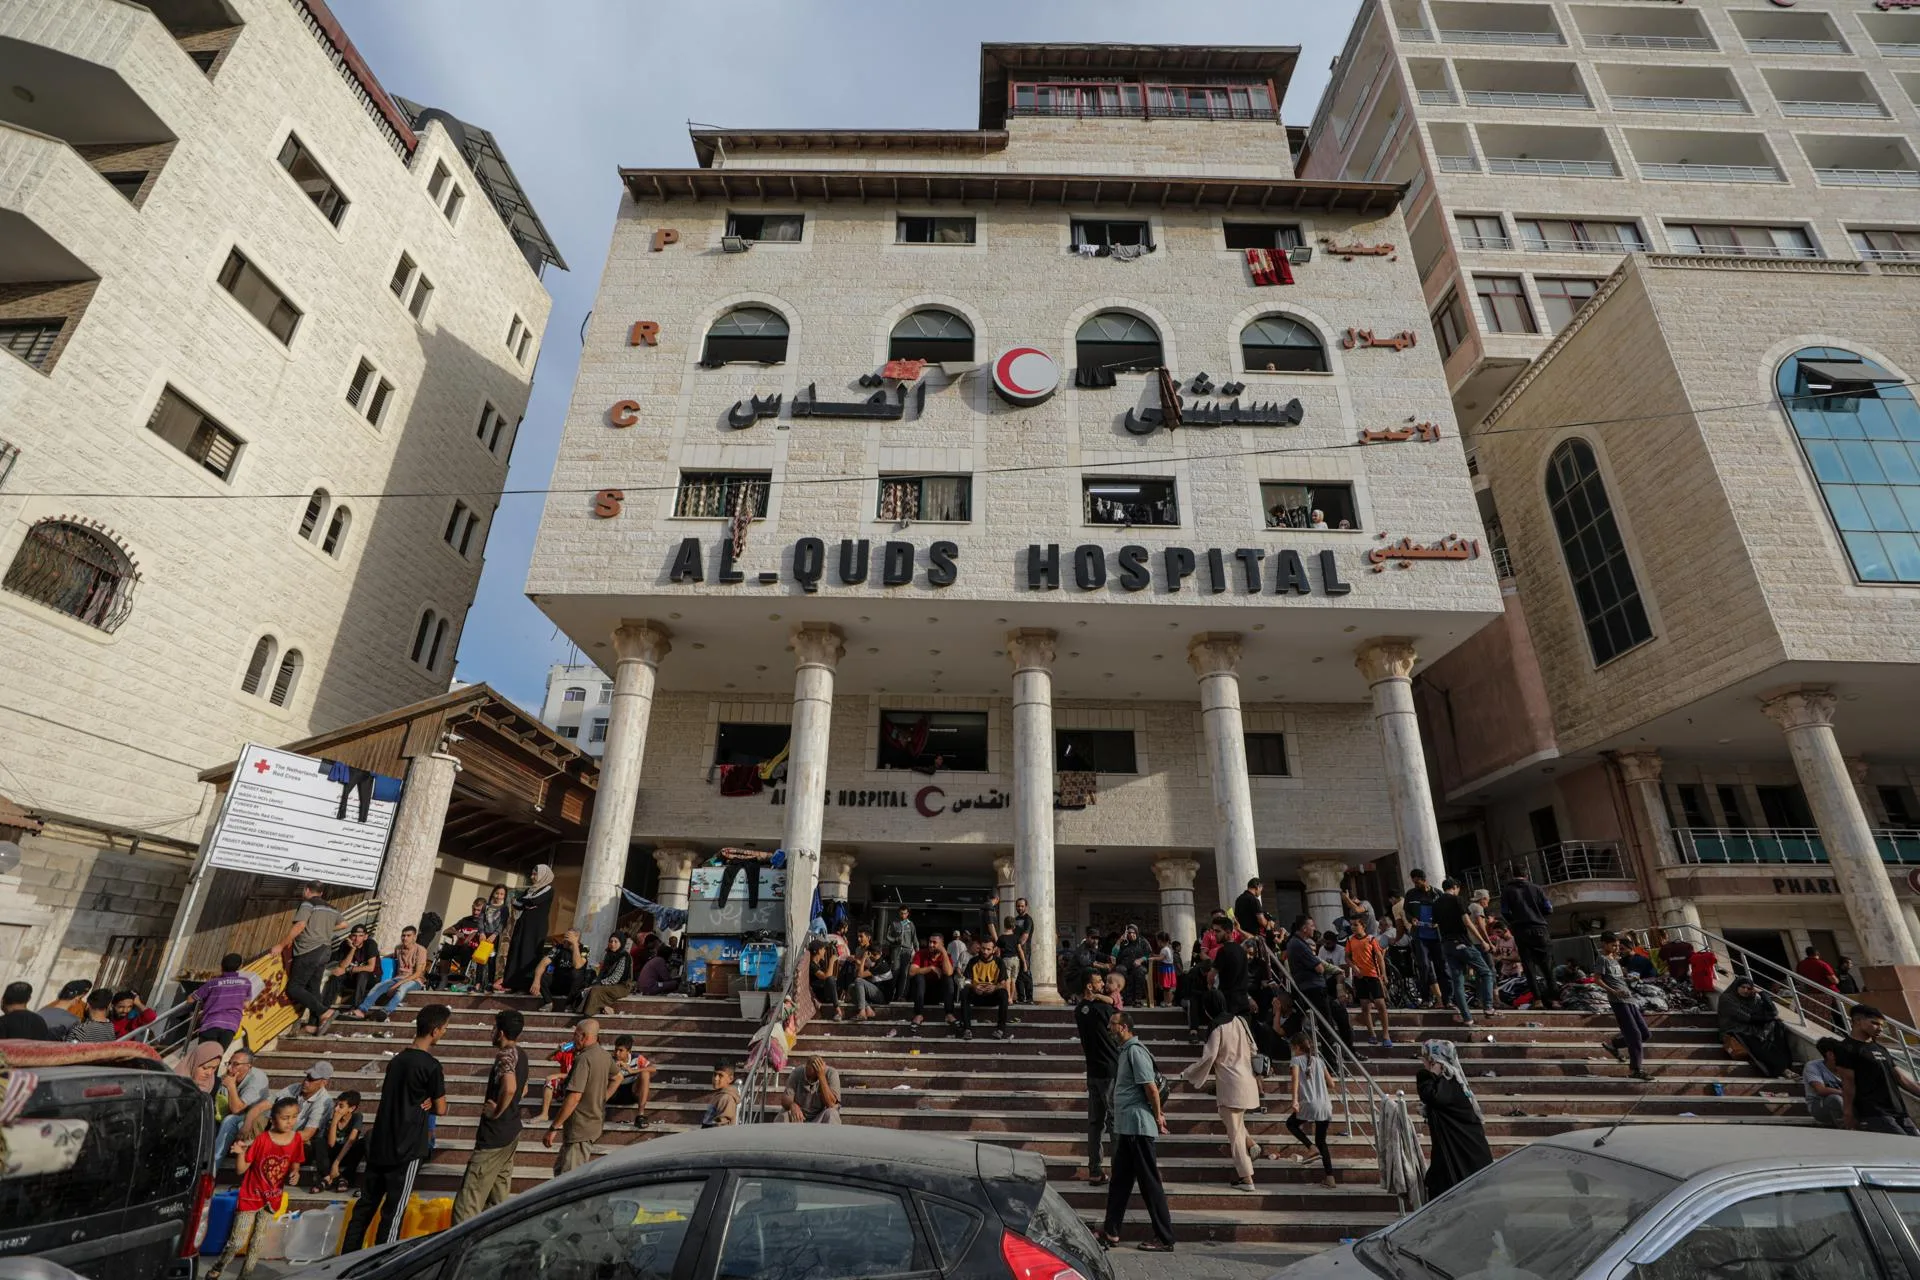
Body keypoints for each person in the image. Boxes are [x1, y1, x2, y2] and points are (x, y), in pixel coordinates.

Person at [342, 1004, 449, 1251]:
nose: (443, 1033)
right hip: (408, 1146)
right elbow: (441, 1108)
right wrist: (431, 1102)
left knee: (365, 1206)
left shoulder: (398, 1060)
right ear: (434, 1031)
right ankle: (382, 1262)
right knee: (394, 1211)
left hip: (381, 1140)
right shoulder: (431, 1066)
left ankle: (346, 1258)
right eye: (444, 1029)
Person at [1096, 1010, 1174, 1253]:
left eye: (1113, 1024)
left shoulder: (1136, 1052)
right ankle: (1111, 1231)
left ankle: (1164, 1237)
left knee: (1150, 1183)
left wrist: (1158, 1116)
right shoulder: (1125, 1053)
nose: (1109, 1027)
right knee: (1119, 1182)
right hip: (1127, 1128)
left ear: (1125, 1027)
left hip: (1138, 1127)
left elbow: (1150, 1088)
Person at [206, 1097, 304, 1280]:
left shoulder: (296, 1139)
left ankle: (245, 1276)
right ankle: (219, 1266)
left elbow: (296, 1161)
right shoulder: (261, 1140)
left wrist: (295, 1173)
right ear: (273, 1120)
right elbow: (241, 1169)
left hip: (272, 1198)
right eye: (285, 1118)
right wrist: (240, 1153)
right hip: (251, 1196)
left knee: (257, 1242)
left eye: (294, 1117)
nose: (290, 1121)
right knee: (237, 1241)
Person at [1184, 991, 1262, 1192]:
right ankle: (1252, 1145)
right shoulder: (1240, 1021)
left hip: (1230, 1084)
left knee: (1234, 1133)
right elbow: (1254, 1049)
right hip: (1247, 1081)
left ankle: (1246, 1178)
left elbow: (1208, 1057)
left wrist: (1189, 1073)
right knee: (1235, 1121)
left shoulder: (1216, 1026)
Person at [453, 1010, 527, 1222]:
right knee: (497, 1198)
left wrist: (496, 1111)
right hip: (511, 1132)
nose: (492, 1032)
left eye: (494, 1028)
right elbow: (524, 1089)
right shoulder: (522, 1054)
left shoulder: (505, 1055)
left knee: (468, 1203)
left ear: (501, 1032)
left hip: (495, 1135)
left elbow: (511, 1087)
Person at [1417, 1040, 1493, 1199]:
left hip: (1466, 1155)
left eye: (1425, 1058)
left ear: (1434, 1060)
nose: (1422, 1062)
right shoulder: (1447, 1082)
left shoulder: (1449, 1082)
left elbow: (1431, 1096)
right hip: (1457, 1154)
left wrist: (1428, 1074)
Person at [1832, 1004, 1920, 1134]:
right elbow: (1848, 1083)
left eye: (1882, 1025)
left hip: (1899, 1110)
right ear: (1857, 1021)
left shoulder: (1881, 1049)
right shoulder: (1845, 1048)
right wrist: (1848, 1112)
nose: (1880, 1029)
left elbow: (1901, 1078)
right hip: (1874, 1112)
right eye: (1875, 1023)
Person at [544, 1015, 611, 1173]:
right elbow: (617, 1076)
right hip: (590, 1124)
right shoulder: (603, 1055)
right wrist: (603, 1097)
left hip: (581, 1126)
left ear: (584, 1036)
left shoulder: (584, 1059)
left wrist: (554, 1128)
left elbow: (574, 1098)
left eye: (576, 1034)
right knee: (560, 1170)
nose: (573, 1038)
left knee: (569, 1176)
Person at [1073, 972, 1120, 1185]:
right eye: (1099, 981)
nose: (1104, 984)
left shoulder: (1079, 1011)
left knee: (1095, 1123)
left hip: (1092, 1071)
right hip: (1110, 1070)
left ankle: (1095, 1170)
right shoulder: (1105, 1010)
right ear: (1090, 987)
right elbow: (1122, 1021)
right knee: (1114, 1122)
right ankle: (1120, 1170)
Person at [277, 881, 342, 1035]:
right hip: (325, 950)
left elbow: (299, 926)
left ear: (306, 890)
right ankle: (313, 1024)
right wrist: (324, 929)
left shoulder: (308, 904)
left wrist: (281, 945)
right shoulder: (331, 908)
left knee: (294, 988)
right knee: (313, 987)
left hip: (308, 949)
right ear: (322, 893)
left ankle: (325, 1012)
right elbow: (344, 924)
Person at [1434, 879, 1496, 1027]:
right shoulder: (1457, 900)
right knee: (1486, 972)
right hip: (1462, 942)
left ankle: (1467, 1018)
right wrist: (1483, 941)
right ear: (1455, 887)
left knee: (1458, 982)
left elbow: (1435, 924)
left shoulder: (1436, 903)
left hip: (1447, 945)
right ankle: (1488, 1006)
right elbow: (1467, 922)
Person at [1597, 933, 1654, 1082]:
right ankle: (1636, 1069)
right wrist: (1614, 991)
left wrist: (1629, 977)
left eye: (1617, 946)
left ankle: (1614, 1044)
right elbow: (1597, 979)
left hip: (1630, 999)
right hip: (1618, 1001)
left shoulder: (1616, 960)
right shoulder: (1602, 959)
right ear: (1604, 944)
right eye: (1613, 945)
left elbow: (1619, 978)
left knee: (1645, 1034)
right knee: (1634, 1035)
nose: (1616, 948)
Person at [1283, 1032, 1336, 1190]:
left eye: (1293, 1048)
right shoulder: (1319, 1061)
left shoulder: (1295, 1060)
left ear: (1297, 1047)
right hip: (1325, 1104)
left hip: (1309, 1103)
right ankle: (1330, 1178)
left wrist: (1294, 1100)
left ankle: (1310, 1147)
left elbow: (1295, 1081)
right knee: (1322, 1141)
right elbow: (1332, 1084)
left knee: (1291, 1124)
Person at [1499, 869, 1556, 1010]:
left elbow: (1505, 911)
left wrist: (1515, 922)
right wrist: (1537, 915)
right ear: (1526, 875)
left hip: (1521, 930)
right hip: (1540, 929)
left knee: (1529, 967)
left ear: (1513, 876)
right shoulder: (1536, 888)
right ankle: (1555, 1000)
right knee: (1547, 966)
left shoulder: (1507, 890)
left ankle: (1537, 1001)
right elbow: (1548, 908)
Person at [1717, 975, 1792, 1078]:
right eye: (1742, 987)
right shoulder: (1727, 998)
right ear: (1736, 986)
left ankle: (1785, 1065)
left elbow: (1773, 1011)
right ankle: (1780, 1068)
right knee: (1756, 1040)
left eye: (1748, 988)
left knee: (1778, 1026)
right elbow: (1746, 1018)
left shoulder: (1752, 999)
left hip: (1752, 1029)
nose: (1745, 990)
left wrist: (1762, 993)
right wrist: (1770, 1018)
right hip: (1734, 1030)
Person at [352, 925, 429, 1021]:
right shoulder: (398, 948)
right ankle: (362, 1010)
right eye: (403, 935)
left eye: (408, 936)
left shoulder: (421, 950)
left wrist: (396, 985)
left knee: (402, 989)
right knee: (378, 986)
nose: (405, 938)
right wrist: (378, 958)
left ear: (415, 937)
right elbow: (392, 956)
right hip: (398, 978)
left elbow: (418, 973)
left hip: (415, 980)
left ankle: (385, 1012)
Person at [213, 1048, 273, 1166]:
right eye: (229, 1063)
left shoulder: (257, 1079)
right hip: (237, 1113)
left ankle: (213, 1167)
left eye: (235, 1064)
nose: (229, 1068)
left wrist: (231, 1086)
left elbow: (236, 1109)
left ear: (248, 1067)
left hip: (257, 1117)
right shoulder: (230, 1075)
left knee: (230, 1121)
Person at [502, 866, 557, 993]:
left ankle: (525, 985)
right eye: (532, 874)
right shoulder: (530, 890)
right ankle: (513, 984)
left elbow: (533, 901)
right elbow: (516, 903)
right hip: (523, 925)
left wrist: (525, 903)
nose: (532, 877)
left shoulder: (548, 889)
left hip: (535, 928)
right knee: (516, 951)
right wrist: (525, 903)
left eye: (535, 874)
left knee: (528, 953)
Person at [318, 924, 381, 1027]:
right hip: (353, 978)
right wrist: (352, 949)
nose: (356, 939)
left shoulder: (370, 944)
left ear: (365, 936)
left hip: (371, 979)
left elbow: (370, 967)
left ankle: (356, 1008)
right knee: (336, 975)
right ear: (350, 936)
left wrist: (348, 969)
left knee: (362, 973)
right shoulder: (346, 945)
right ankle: (326, 1008)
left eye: (360, 936)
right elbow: (342, 966)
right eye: (354, 936)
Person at [1345, 917, 1393, 1047]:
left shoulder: (1371, 939)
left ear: (1363, 926)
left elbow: (1379, 957)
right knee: (1365, 1005)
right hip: (1359, 977)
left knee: (1380, 1004)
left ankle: (1385, 1034)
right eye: (1352, 925)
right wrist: (1354, 967)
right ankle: (1371, 1033)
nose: (1353, 927)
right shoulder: (1350, 940)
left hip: (1373, 974)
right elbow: (1347, 957)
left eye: (1356, 924)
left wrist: (1383, 974)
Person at [192, 953, 257, 1048]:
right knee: (216, 1058)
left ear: (221, 966)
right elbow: (246, 1005)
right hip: (230, 1026)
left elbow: (191, 999)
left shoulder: (213, 983)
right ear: (240, 966)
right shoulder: (246, 983)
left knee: (203, 1058)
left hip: (211, 1023)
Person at [1403, 869, 1446, 1008]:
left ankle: (1447, 998)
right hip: (1420, 936)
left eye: (1417, 882)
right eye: (1414, 882)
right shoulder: (1410, 894)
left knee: (1442, 966)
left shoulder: (1437, 893)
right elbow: (1407, 911)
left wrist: (1439, 921)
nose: (1416, 884)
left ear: (1424, 880)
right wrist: (1412, 919)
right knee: (1424, 967)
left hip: (1436, 936)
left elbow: (1444, 911)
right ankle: (1426, 998)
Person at [310, 1089, 365, 1191]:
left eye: (341, 1106)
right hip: (333, 1152)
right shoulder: (332, 1119)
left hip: (346, 1154)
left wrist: (336, 1164)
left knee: (360, 1144)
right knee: (319, 1141)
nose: (336, 1109)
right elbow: (331, 1144)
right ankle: (326, 1176)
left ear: (352, 1108)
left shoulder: (357, 1117)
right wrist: (334, 1122)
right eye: (336, 1105)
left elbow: (350, 1141)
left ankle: (344, 1177)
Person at [959, 938, 1013, 1041]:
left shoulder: (999, 962)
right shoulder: (973, 961)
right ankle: (967, 1029)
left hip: (992, 996)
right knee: (964, 991)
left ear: (994, 950)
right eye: (983, 948)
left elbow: (1003, 984)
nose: (985, 951)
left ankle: (1000, 1029)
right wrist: (974, 987)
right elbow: (966, 982)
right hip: (977, 995)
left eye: (988, 949)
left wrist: (995, 987)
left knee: (1004, 993)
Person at [273, 1061, 334, 1144]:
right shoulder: (295, 1087)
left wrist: (277, 1138)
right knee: (261, 1116)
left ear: (323, 1083)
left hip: (305, 1141)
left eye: (311, 1079)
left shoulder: (325, 1102)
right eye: (307, 1077)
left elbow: (307, 1134)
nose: (306, 1081)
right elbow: (265, 1104)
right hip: (282, 1131)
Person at [905, 933, 954, 1031]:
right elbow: (911, 972)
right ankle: (918, 1014)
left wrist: (944, 952)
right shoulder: (920, 953)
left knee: (948, 979)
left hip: (938, 995)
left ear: (941, 944)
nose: (931, 945)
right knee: (918, 976)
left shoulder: (946, 956)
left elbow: (949, 972)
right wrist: (930, 968)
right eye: (930, 942)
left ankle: (949, 1014)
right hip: (922, 994)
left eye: (934, 942)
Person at [532, 929, 590, 1011]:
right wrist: (536, 981)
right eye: (564, 937)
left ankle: (569, 1004)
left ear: (576, 938)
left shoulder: (584, 948)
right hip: (558, 981)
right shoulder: (558, 948)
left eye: (567, 937)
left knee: (577, 974)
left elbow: (577, 965)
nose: (564, 940)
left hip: (573, 985)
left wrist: (574, 945)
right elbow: (542, 963)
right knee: (543, 974)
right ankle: (548, 1003)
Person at [579, 932, 635, 1016]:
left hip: (622, 986)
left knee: (595, 990)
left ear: (621, 943)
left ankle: (587, 1016)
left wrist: (599, 984)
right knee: (586, 987)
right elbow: (602, 973)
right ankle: (602, 1008)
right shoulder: (608, 955)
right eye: (611, 941)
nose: (612, 944)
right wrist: (595, 982)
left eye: (616, 942)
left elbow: (615, 978)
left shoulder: (624, 956)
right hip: (609, 984)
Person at [608, 1034, 656, 1127]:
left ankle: (640, 1116)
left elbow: (653, 1068)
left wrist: (633, 1070)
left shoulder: (637, 1058)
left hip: (632, 1093)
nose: (617, 1053)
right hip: (613, 1093)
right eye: (616, 1049)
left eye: (621, 1050)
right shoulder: (610, 1059)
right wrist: (613, 1069)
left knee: (645, 1073)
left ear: (628, 1051)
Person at [783, 1055, 841, 1123]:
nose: (810, 1080)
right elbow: (785, 1098)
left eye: (813, 1078)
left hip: (820, 1118)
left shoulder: (831, 1073)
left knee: (832, 1114)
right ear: (806, 1067)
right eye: (808, 1076)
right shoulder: (797, 1072)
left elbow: (831, 1104)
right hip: (799, 1118)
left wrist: (821, 1076)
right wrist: (792, 1105)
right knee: (783, 1115)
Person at [1804, 1038, 1845, 1129]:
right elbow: (1821, 1090)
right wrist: (1844, 1093)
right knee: (1836, 1099)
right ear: (1830, 1054)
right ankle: (1845, 1128)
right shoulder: (1813, 1066)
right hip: (1819, 1106)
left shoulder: (1848, 1066)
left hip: (1846, 1104)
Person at [478, 884, 511, 992]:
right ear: (493, 893)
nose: (498, 896)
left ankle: (490, 983)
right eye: (497, 893)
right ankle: (478, 983)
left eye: (502, 894)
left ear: (504, 896)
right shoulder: (486, 906)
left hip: (495, 937)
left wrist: (495, 934)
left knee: (492, 961)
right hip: (484, 936)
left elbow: (502, 924)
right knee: (481, 959)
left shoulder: (504, 908)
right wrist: (481, 933)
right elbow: (481, 920)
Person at [1113, 924, 1151, 1007]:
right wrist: (1119, 941)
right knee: (1120, 969)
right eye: (1129, 933)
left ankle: (1137, 999)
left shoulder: (1143, 941)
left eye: (1133, 933)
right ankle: (1123, 998)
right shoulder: (1123, 942)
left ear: (1136, 933)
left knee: (1140, 971)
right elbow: (1114, 954)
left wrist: (1141, 960)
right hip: (1125, 965)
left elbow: (1149, 954)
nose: (1131, 935)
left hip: (1138, 966)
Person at [886, 906, 919, 1002]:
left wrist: (917, 952)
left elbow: (915, 938)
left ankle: (901, 996)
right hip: (896, 950)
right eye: (901, 913)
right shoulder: (894, 923)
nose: (903, 915)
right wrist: (895, 940)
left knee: (905, 974)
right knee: (895, 972)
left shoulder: (911, 924)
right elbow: (887, 937)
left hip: (907, 951)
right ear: (898, 913)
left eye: (905, 913)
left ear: (908, 913)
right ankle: (890, 994)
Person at [808, 941, 842, 1020]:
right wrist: (831, 961)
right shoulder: (812, 965)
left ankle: (843, 996)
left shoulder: (820, 962)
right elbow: (826, 976)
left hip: (826, 991)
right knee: (830, 979)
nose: (825, 951)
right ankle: (838, 1010)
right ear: (819, 951)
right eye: (823, 949)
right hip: (821, 994)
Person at [1011, 898, 1036, 1004]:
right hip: (1016, 950)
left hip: (1024, 950)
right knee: (1018, 974)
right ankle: (1021, 998)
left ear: (1026, 906)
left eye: (1022, 906)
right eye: (1018, 906)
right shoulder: (1015, 919)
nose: (1020, 908)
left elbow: (1025, 936)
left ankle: (1030, 998)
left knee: (1026, 973)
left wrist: (1018, 946)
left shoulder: (1028, 920)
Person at [700, 1063, 739, 1128]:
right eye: (715, 1074)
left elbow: (722, 1125)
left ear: (730, 1079)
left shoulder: (726, 1098)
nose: (716, 1078)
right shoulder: (719, 1095)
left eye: (720, 1075)